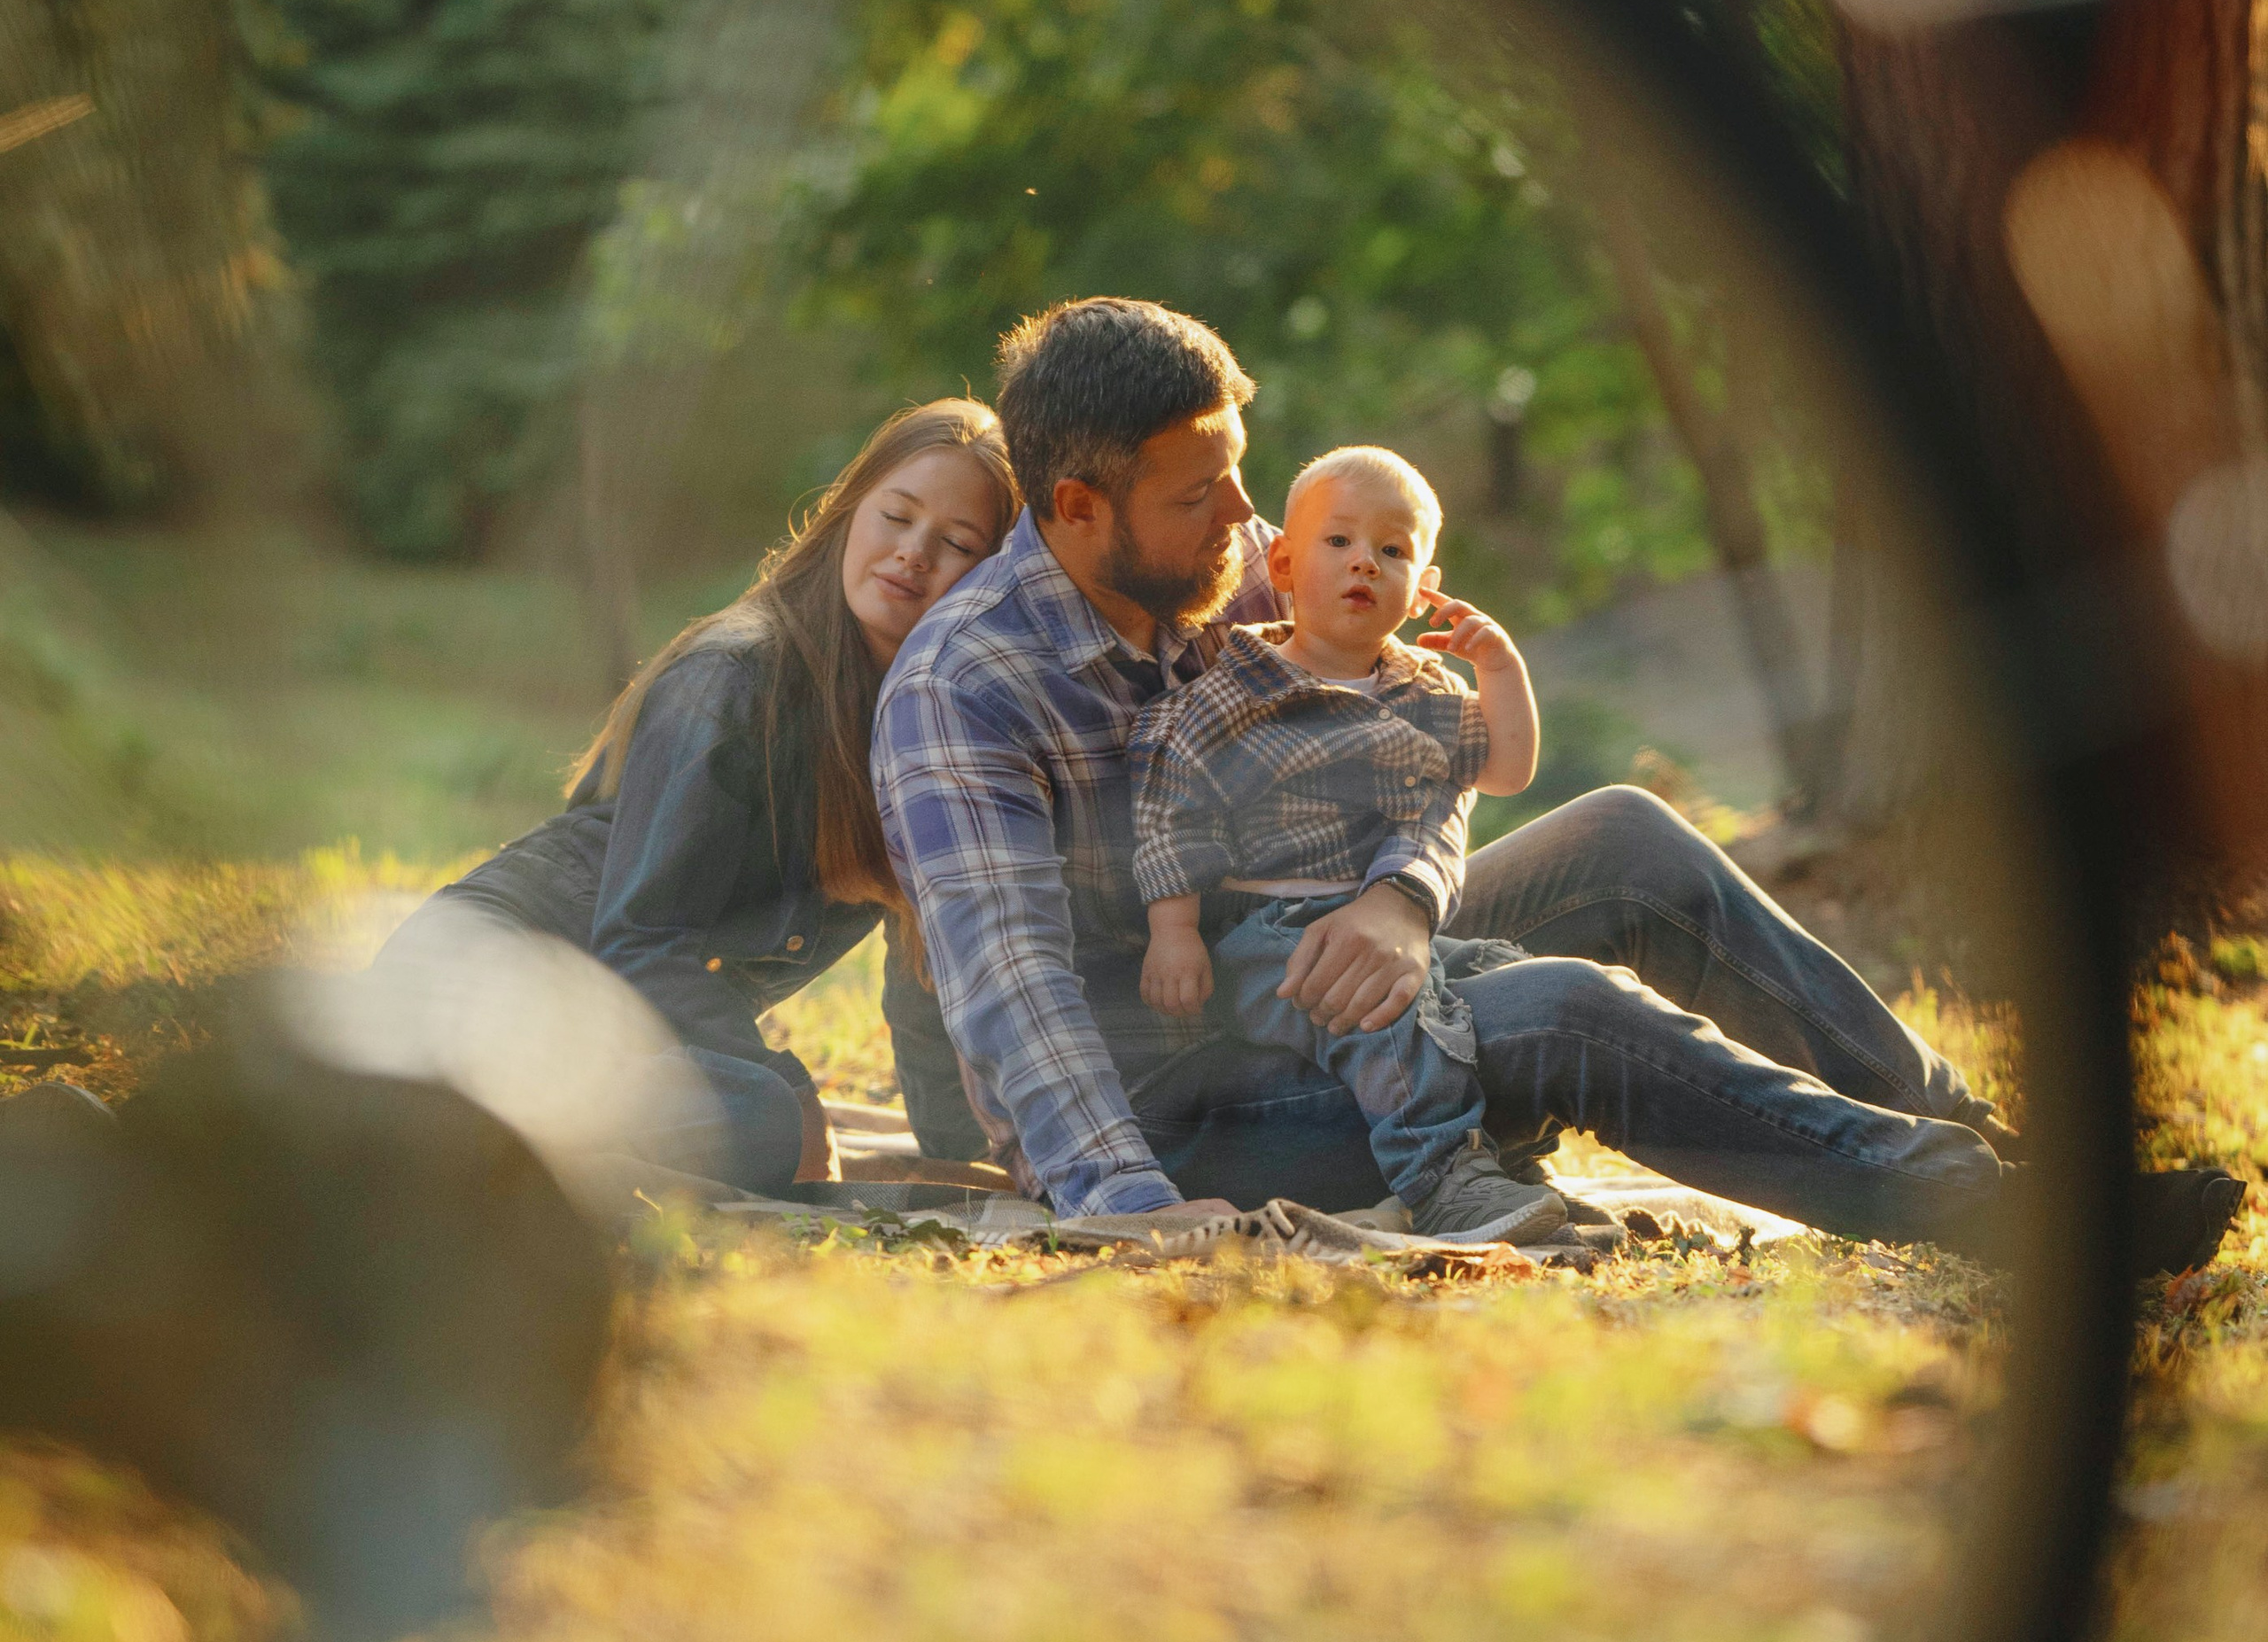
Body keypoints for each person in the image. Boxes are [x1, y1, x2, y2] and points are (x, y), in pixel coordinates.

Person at [872, 295, 2242, 1262]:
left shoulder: (1207, 592)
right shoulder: (966, 692)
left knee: (1629, 835)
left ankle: (1992, 1145)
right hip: (1192, 1105)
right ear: (1075, 511)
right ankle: (2016, 1219)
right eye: (1203, 493)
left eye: (1239, 480)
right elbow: (1012, 990)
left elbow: (1414, 745)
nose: (1246, 517)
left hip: (1334, 971)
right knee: (1567, 1007)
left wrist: (1407, 896)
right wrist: (1123, 1193)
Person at [384, 398, 1015, 1195]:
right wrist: (784, 1090)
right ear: (850, 511)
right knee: (762, 1119)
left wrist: (984, 1140)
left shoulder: (928, 730)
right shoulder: (734, 678)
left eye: (958, 543)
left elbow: (928, 967)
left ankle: (507, 1135)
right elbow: (642, 942)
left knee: (757, 1118)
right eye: (896, 515)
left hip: (607, 1032)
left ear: (992, 576)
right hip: (481, 981)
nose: (912, 555)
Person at [1132, 441, 1551, 1241]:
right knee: (1383, 1016)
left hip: (1376, 922)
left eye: (1392, 551)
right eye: (1339, 541)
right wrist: (1173, 932)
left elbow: (1504, 771)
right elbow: (1169, 815)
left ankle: (1512, 1165)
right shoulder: (1228, 696)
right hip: (1265, 937)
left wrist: (1500, 669)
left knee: (1504, 978)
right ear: (1284, 563)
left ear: (1422, 588)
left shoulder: (1425, 693)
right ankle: (1441, 1180)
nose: (1365, 562)